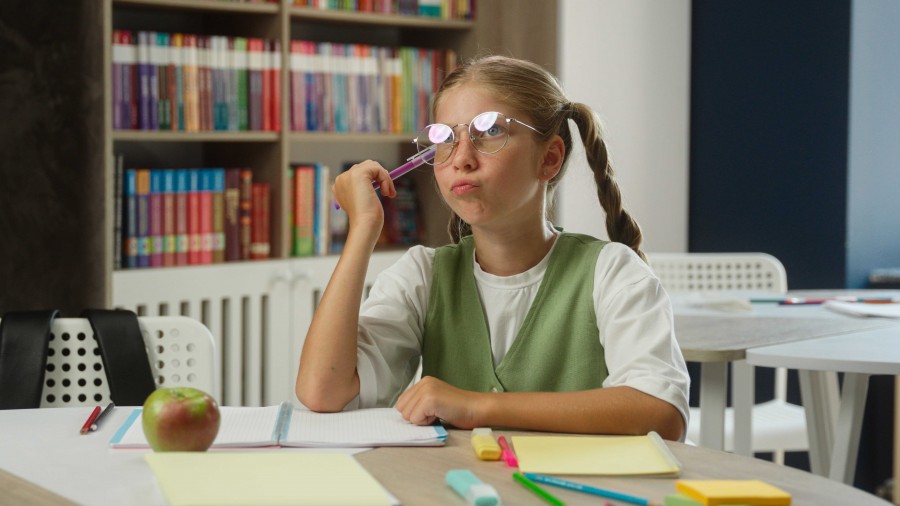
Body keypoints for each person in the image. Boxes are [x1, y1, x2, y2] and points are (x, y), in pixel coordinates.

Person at [296, 55, 689, 441]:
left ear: (549, 159)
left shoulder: (612, 272)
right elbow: (323, 392)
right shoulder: (423, 275)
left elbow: (661, 411)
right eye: (445, 138)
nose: (462, 159)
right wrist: (363, 229)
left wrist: (477, 407)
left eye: (490, 132)